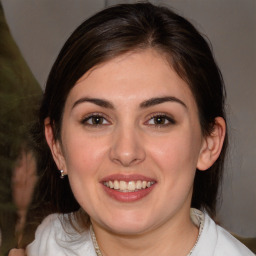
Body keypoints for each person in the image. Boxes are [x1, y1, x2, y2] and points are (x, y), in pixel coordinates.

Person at [9, 2, 254, 256]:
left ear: (208, 143)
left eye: (159, 120)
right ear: (57, 145)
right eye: (96, 120)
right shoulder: (45, 243)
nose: (126, 152)